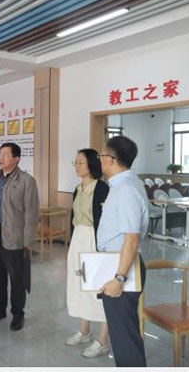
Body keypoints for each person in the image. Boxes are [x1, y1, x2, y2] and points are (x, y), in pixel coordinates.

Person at [96, 136, 149, 367]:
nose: (99, 160)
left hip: (122, 269)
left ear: (111, 159)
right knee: (123, 334)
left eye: (101, 155)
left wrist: (119, 278)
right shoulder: (123, 184)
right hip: (119, 264)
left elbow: (131, 237)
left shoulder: (125, 189)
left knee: (124, 338)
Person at [0, 142, 39, 331]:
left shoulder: (27, 181)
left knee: (16, 277)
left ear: (16, 158)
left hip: (14, 235)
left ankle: (18, 314)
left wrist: (28, 240)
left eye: (5, 154)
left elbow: (31, 213)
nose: (1, 158)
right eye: (0, 154)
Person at [66, 149, 110, 357]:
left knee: (97, 289)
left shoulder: (102, 189)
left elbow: (106, 220)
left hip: (95, 240)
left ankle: (102, 340)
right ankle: (84, 331)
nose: (77, 166)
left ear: (92, 164)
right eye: (75, 162)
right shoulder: (77, 189)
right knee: (80, 285)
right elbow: (73, 219)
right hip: (78, 240)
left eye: (81, 162)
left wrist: (102, 248)